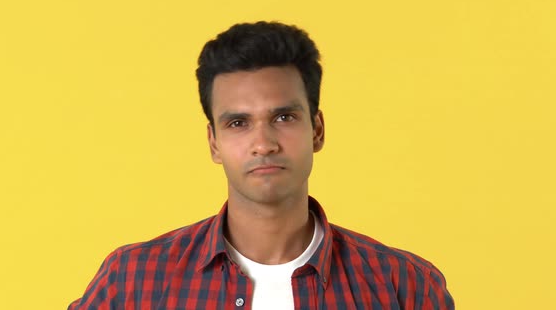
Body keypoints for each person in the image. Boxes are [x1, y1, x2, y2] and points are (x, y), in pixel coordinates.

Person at [68, 21, 455, 310]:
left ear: (317, 130)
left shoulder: (403, 286)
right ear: (213, 143)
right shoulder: (135, 281)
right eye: (238, 123)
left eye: (284, 118)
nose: (263, 144)